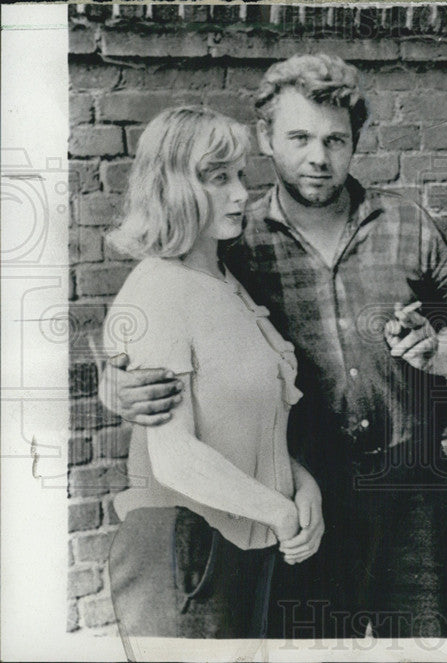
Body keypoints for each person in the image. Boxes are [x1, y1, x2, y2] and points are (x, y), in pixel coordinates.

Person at [99, 54, 447, 639]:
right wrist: (118, 383)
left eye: (336, 140)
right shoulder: (231, 239)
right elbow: (164, 323)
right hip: (309, 489)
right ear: (266, 138)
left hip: (413, 485)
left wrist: (437, 350)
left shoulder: (409, 223)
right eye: (299, 137)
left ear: (356, 142)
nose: (318, 158)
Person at [101, 106, 324, 639]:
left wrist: (303, 486)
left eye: (240, 175)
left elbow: (243, 424)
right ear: (173, 187)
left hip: (245, 548)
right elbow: (175, 458)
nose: (242, 193)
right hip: (183, 556)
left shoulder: (225, 279)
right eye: (217, 178)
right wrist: (280, 510)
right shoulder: (159, 289)